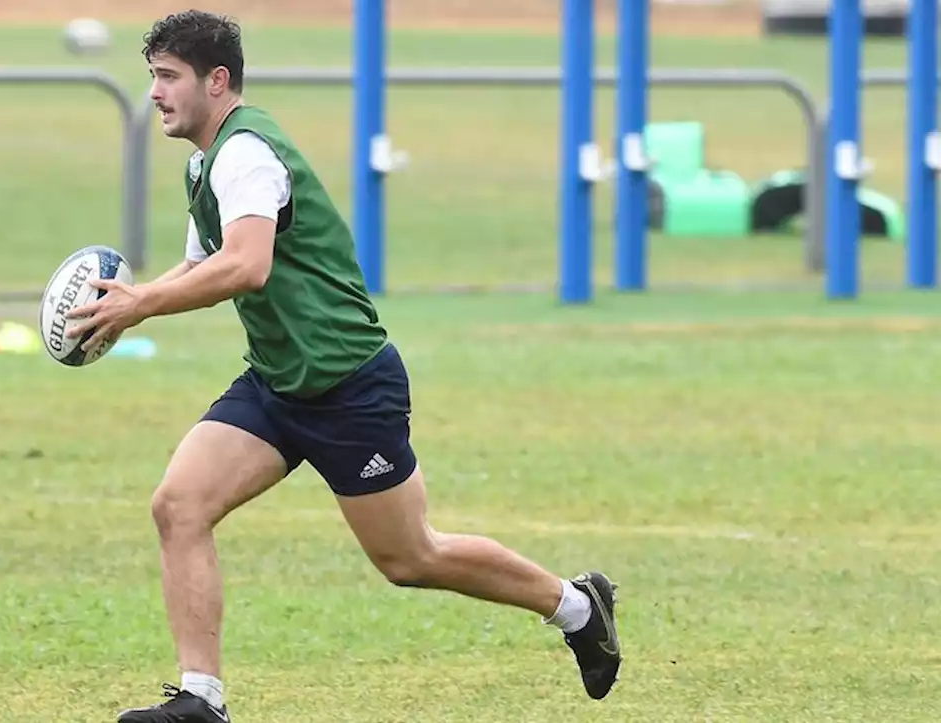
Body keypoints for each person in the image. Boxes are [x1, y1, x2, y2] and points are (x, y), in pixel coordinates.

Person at [64, 10, 622, 722]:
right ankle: (201, 698)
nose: (156, 94)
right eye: (152, 78)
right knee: (179, 505)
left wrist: (141, 305)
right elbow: (205, 263)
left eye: (168, 78)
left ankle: (577, 606)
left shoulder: (246, 155)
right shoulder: (206, 164)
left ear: (218, 80)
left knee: (410, 557)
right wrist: (129, 300)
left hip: (349, 384)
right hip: (277, 383)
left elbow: (247, 265)